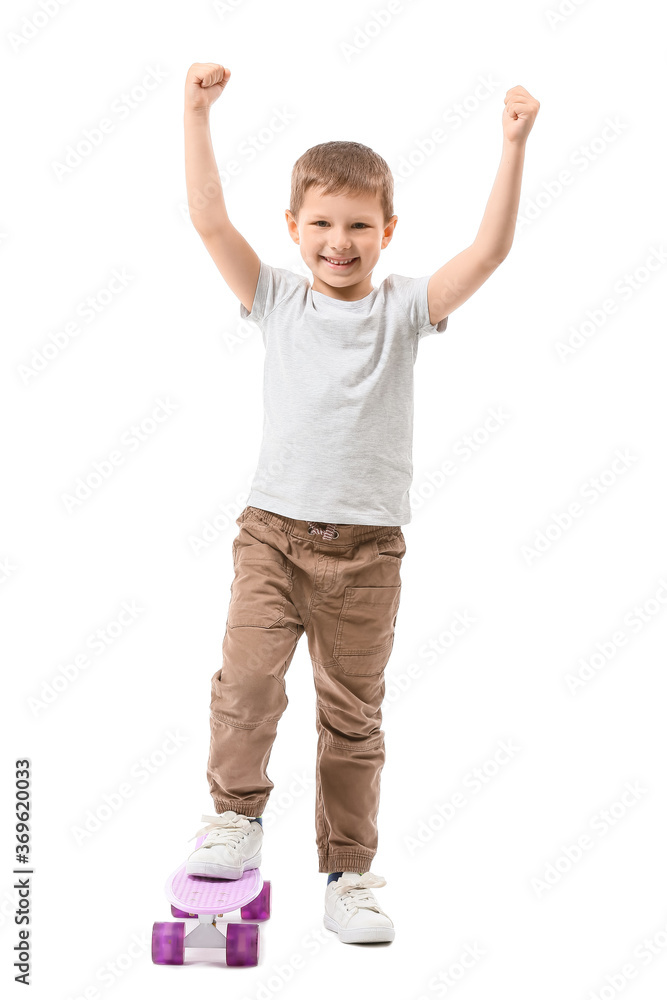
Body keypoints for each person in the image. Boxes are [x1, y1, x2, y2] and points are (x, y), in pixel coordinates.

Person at [182, 61, 540, 945]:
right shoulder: (272, 297)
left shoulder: (406, 310)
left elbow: (488, 253)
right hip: (271, 535)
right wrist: (195, 113)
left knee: (352, 716)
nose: (337, 242)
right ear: (295, 229)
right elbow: (206, 219)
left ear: (386, 232)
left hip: (367, 555)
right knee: (248, 684)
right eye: (320, 225)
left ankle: (348, 873)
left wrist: (511, 145)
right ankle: (235, 818)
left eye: (356, 227)